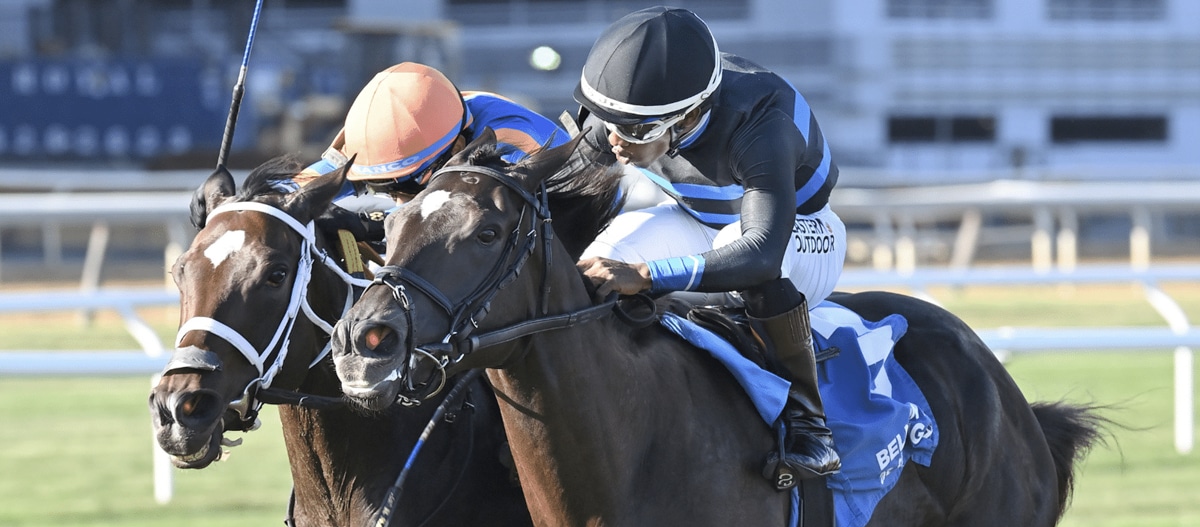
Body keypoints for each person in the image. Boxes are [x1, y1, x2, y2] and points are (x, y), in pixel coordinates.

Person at [570, 6, 846, 488]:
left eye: (635, 130)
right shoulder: (634, 106)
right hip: (696, 219)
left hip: (800, 233)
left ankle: (809, 424)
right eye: (610, 120)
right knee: (592, 264)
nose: (613, 139)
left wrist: (649, 277)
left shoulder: (761, 120)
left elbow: (760, 250)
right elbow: (553, 174)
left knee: (737, 249)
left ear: (689, 114)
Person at [188, 62, 569, 239]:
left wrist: (371, 227)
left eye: (405, 185)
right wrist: (240, 203)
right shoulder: (380, 138)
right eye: (383, 188)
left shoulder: (516, 145)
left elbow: (479, 231)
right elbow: (311, 183)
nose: (397, 196)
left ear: (457, 147)